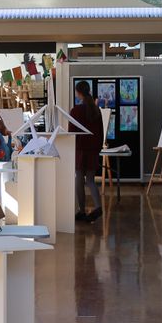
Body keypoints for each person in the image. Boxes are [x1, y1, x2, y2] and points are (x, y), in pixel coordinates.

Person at [70, 80, 104, 222]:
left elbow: (71, 133)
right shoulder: (96, 110)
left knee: (79, 179)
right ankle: (98, 207)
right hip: (93, 150)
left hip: (80, 150)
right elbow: (101, 131)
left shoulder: (75, 111)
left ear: (78, 93)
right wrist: (98, 148)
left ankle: (82, 210)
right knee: (90, 180)